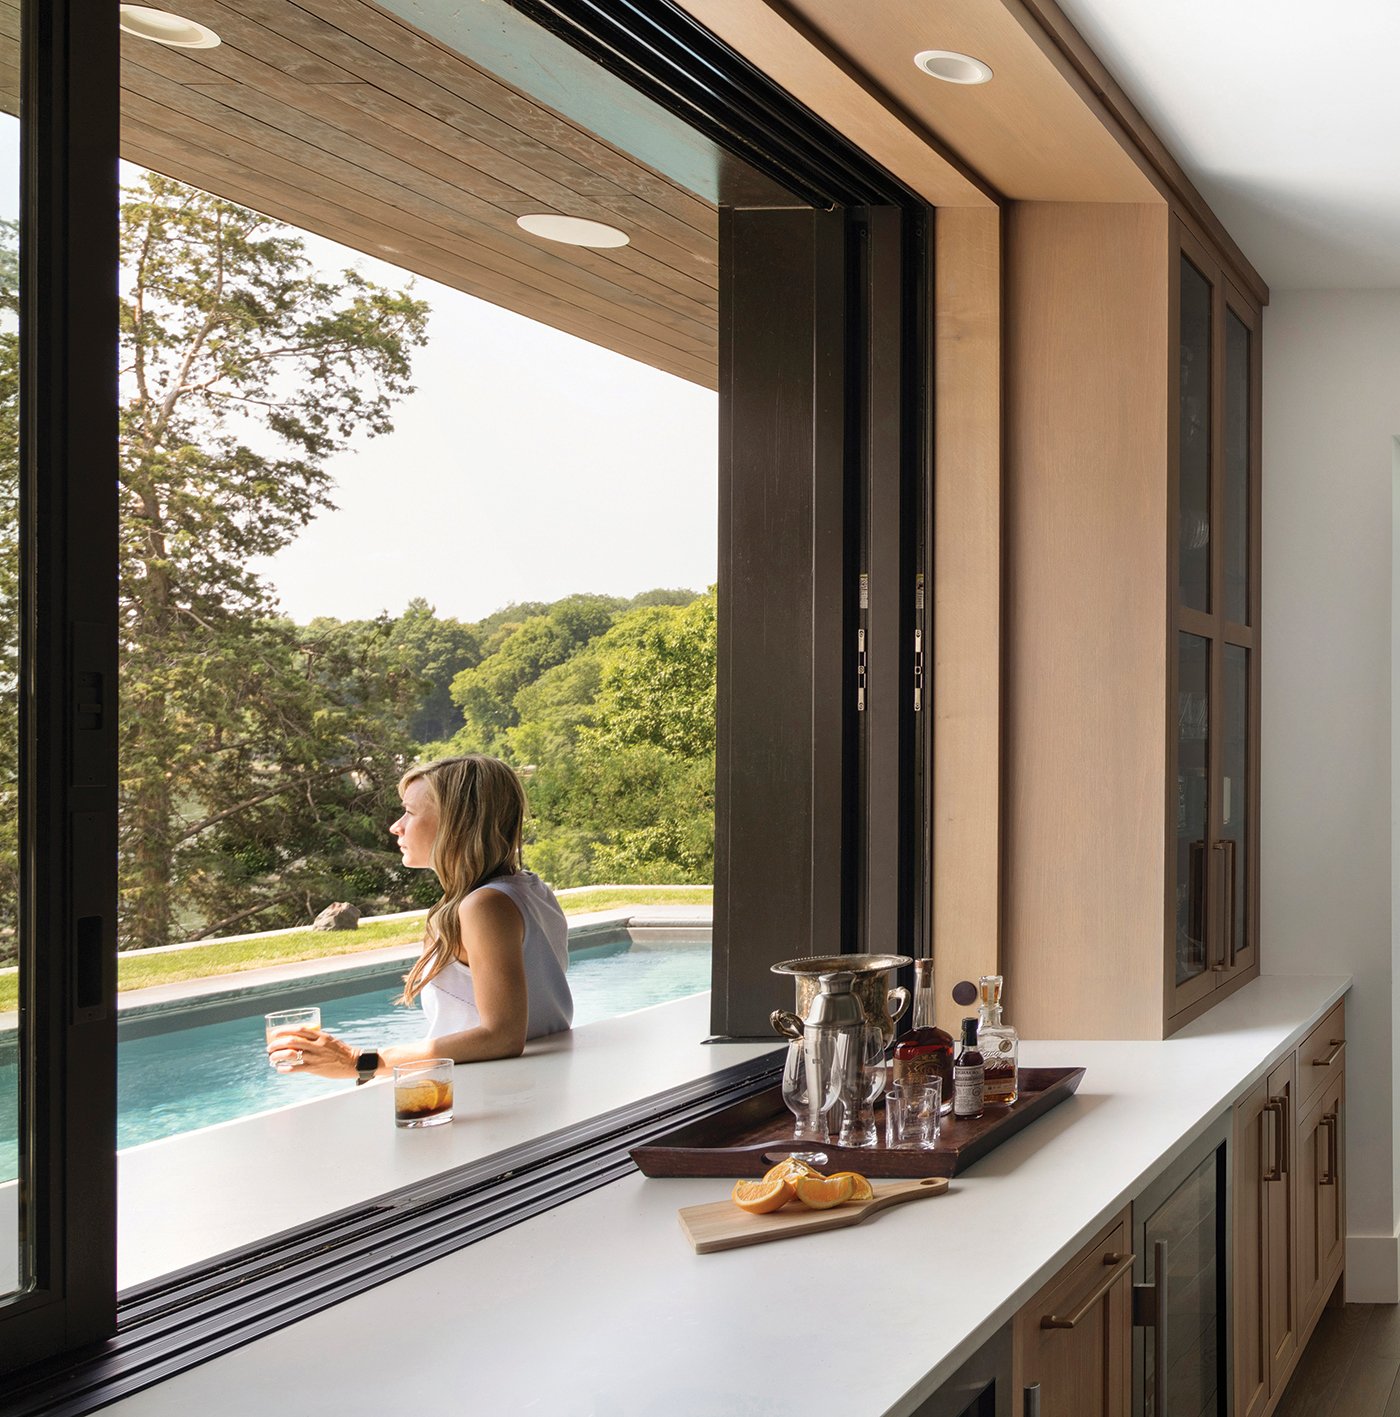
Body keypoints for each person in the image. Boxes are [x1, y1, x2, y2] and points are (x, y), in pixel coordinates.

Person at [267, 755, 573, 1082]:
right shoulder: (530, 889)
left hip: (495, 1094)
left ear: (457, 823)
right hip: (528, 1085)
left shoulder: (485, 906)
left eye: (409, 812)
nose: (395, 826)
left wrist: (358, 1061)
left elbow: (503, 1036)